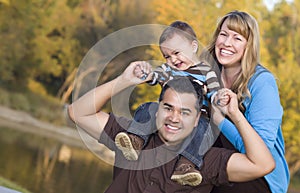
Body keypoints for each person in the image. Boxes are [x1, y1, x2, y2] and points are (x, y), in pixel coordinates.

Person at [67, 62, 274, 193]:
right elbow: (77, 112)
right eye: (168, 108)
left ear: (196, 120)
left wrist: (235, 115)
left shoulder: (206, 161)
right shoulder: (131, 138)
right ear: (157, 110)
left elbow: (262, 165)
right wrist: (123, 80)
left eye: (184, 112)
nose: (174, 118)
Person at [113, 21, 228, 186]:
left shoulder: (207, 71)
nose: (172, 59)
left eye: (176, 53)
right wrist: (145, 74)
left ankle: (186, 165)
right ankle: (136, 140)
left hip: (194, 119)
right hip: (167, 115)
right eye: (167, 56)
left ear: (193, 46)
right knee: (149, 108)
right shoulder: (168, 70)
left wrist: (219, 97)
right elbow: (155, 76)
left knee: (203, 128)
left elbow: (213, 92)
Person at [201, 10, 290, 193]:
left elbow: (259, 153)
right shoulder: (207, 75)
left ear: (249, 46)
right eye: (223, 34)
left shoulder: (261, 83)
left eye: (237, 38)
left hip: (258, 176)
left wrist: (221, 120)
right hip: (214, 164)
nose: (226, 43)